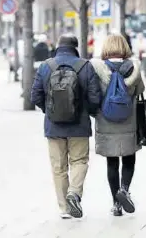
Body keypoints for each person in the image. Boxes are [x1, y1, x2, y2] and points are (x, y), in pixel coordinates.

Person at [30, 35, 102, 219]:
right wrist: (87, 112)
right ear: (75, 47)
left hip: (53, 127)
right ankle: (74, 193)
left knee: (58, 167)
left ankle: (64, 208)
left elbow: (35, 95)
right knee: (79, 161)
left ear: (58, 46)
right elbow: (95, 98)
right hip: (79, 125)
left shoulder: (46, 66)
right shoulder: (85, 66)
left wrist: (50, 111)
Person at [90, 34, 145, 217]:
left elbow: (93, 93)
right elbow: (140, 90)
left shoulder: (97, 68)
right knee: (129, 158)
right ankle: (125, 189)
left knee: (112, 162)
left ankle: (116, 204)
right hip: (129, 120)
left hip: (106, 121)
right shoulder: (133, 68)